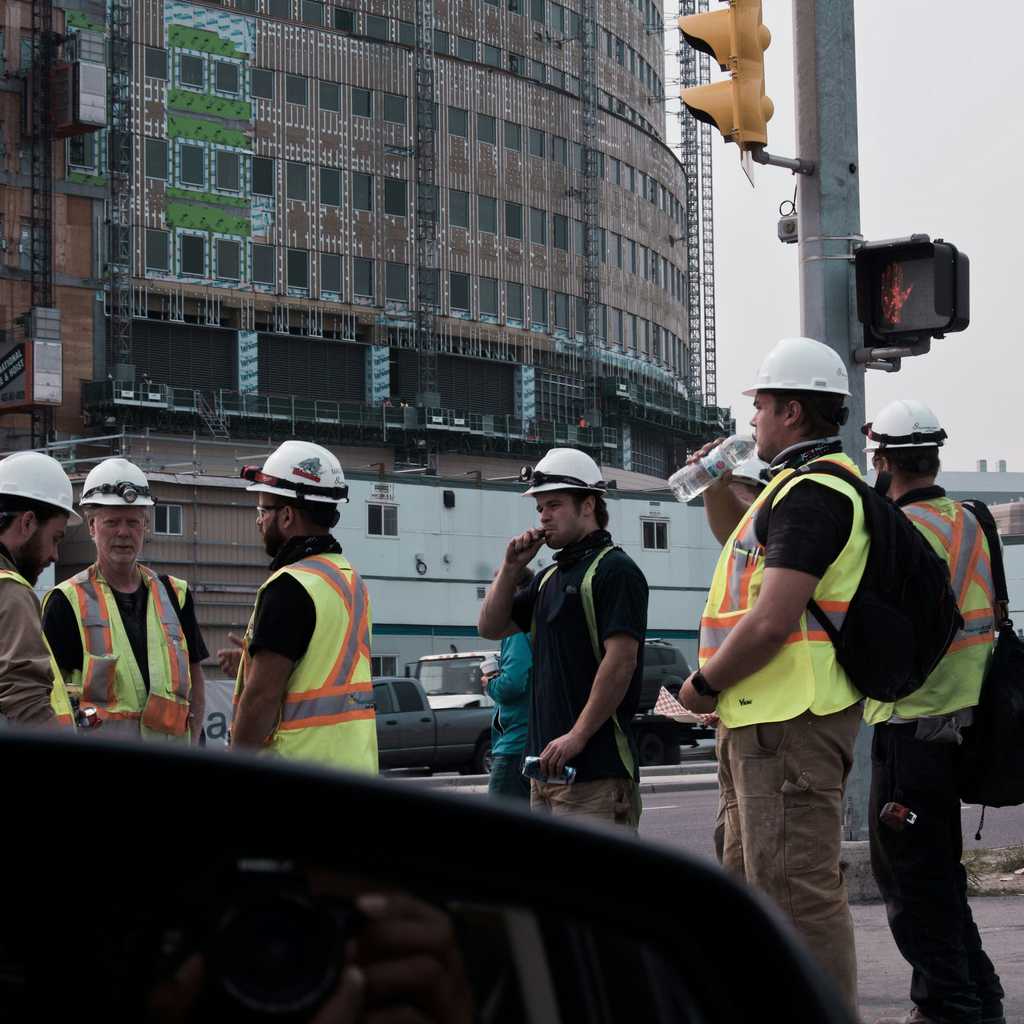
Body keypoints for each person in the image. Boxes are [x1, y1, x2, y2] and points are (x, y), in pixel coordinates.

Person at [679, 336, 866, 1010]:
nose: (751, 420)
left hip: (791, 719)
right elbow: (735, 539)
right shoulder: (784, 490)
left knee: (797, 894)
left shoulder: (814, 495)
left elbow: (771, 621)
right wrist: (717, 483)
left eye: (759, 407)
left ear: (790, 411)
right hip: (762, 717)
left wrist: (701, 686)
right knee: (756, 885)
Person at [863, 400, 1004, 1024]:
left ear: (884, 461)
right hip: (963, 726)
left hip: (912, 724)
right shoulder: (970, 518)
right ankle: (981, 999)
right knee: (939, 876)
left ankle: (951, 1007)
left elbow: (879, 628)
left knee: (913, 885)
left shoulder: (900, 530)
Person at [478, 447, 648, 829]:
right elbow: (490, 626)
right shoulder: (549, 578)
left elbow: (621, 661)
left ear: (588, 505)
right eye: (539, 508)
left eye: (554, 504)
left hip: (594, 771)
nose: (543, 516)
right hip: (545, 772)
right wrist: (509, 568)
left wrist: (577, 735)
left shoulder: (615, 570)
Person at [221, 441, 377, 772]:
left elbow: (262, 699)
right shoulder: (349, 580)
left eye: (263, 511)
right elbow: (318, 671)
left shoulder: (288, 588)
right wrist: (249, 666)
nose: (259, 522)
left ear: (287, 516)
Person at [43, 458, 208, 740]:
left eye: (133, 522)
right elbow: (50, 697)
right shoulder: (66, 602)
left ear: (145, 526)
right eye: (112, 522)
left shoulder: (175, 594)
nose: (123, 532)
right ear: (92, 527)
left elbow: (196, 681)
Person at [0, 451, 79, 726]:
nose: (55, 555)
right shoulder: (10, 592)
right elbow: (26, 703)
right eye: (55, 538)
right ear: (27, 523)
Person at [480, 566, 534, 801]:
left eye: (496, 590)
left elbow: (512, 684)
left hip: (514, 745)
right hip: (532, 739)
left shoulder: (515, 630)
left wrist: (490, 682)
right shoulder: (537, 623)